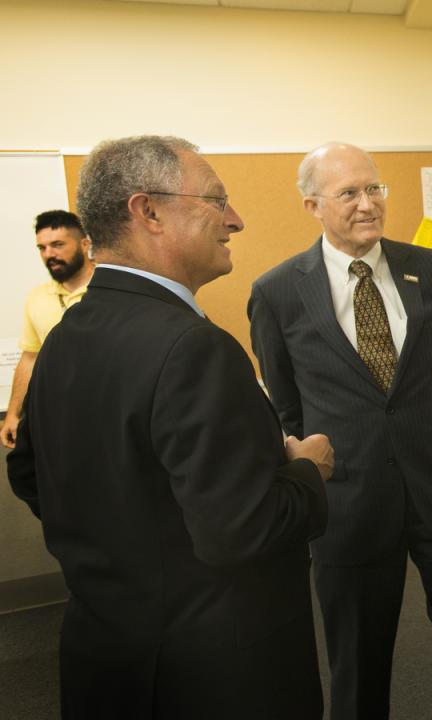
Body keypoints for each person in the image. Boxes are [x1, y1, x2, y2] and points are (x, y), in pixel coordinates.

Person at [6, 135, 334, 720]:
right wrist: (309, 470)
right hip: (211, 673)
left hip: (107, 656)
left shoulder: (62, 340)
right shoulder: (193, 348)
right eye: (216, 201)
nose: (235, 220)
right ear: (149, 212)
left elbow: (30, 474)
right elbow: (240, 530)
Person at [248, 142, 432, 720]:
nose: (368, 204)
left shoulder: (431, 269)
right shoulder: (278, 291)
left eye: (374, 188)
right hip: (350, 503)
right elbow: (286, 405)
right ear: (313, 205)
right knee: (357, 672)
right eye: (349, 193)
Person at [0, 210, 94, 448]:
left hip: (110, 412)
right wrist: (12, 414)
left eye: (58, 245)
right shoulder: (37, 297)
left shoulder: (113, 290)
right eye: (42, 248)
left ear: (85, 244)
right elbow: (30, 358)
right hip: (59, 421)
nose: (49, 254)